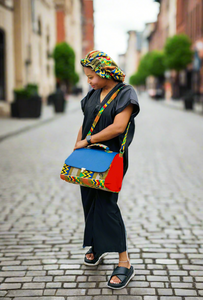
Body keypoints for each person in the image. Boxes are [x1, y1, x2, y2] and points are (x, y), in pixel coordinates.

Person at [74, 50, 140, 289]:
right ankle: (97, 247)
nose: (89, 81)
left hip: (111, 160)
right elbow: (85, 124)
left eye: (91, 76)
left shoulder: (125, 93)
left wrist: (87, 141)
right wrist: (77, 148)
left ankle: (125, 262)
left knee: (107, 206)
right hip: (88, 157)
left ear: (103, 72)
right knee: (89, 201)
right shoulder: (92, 94)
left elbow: (118, 127)